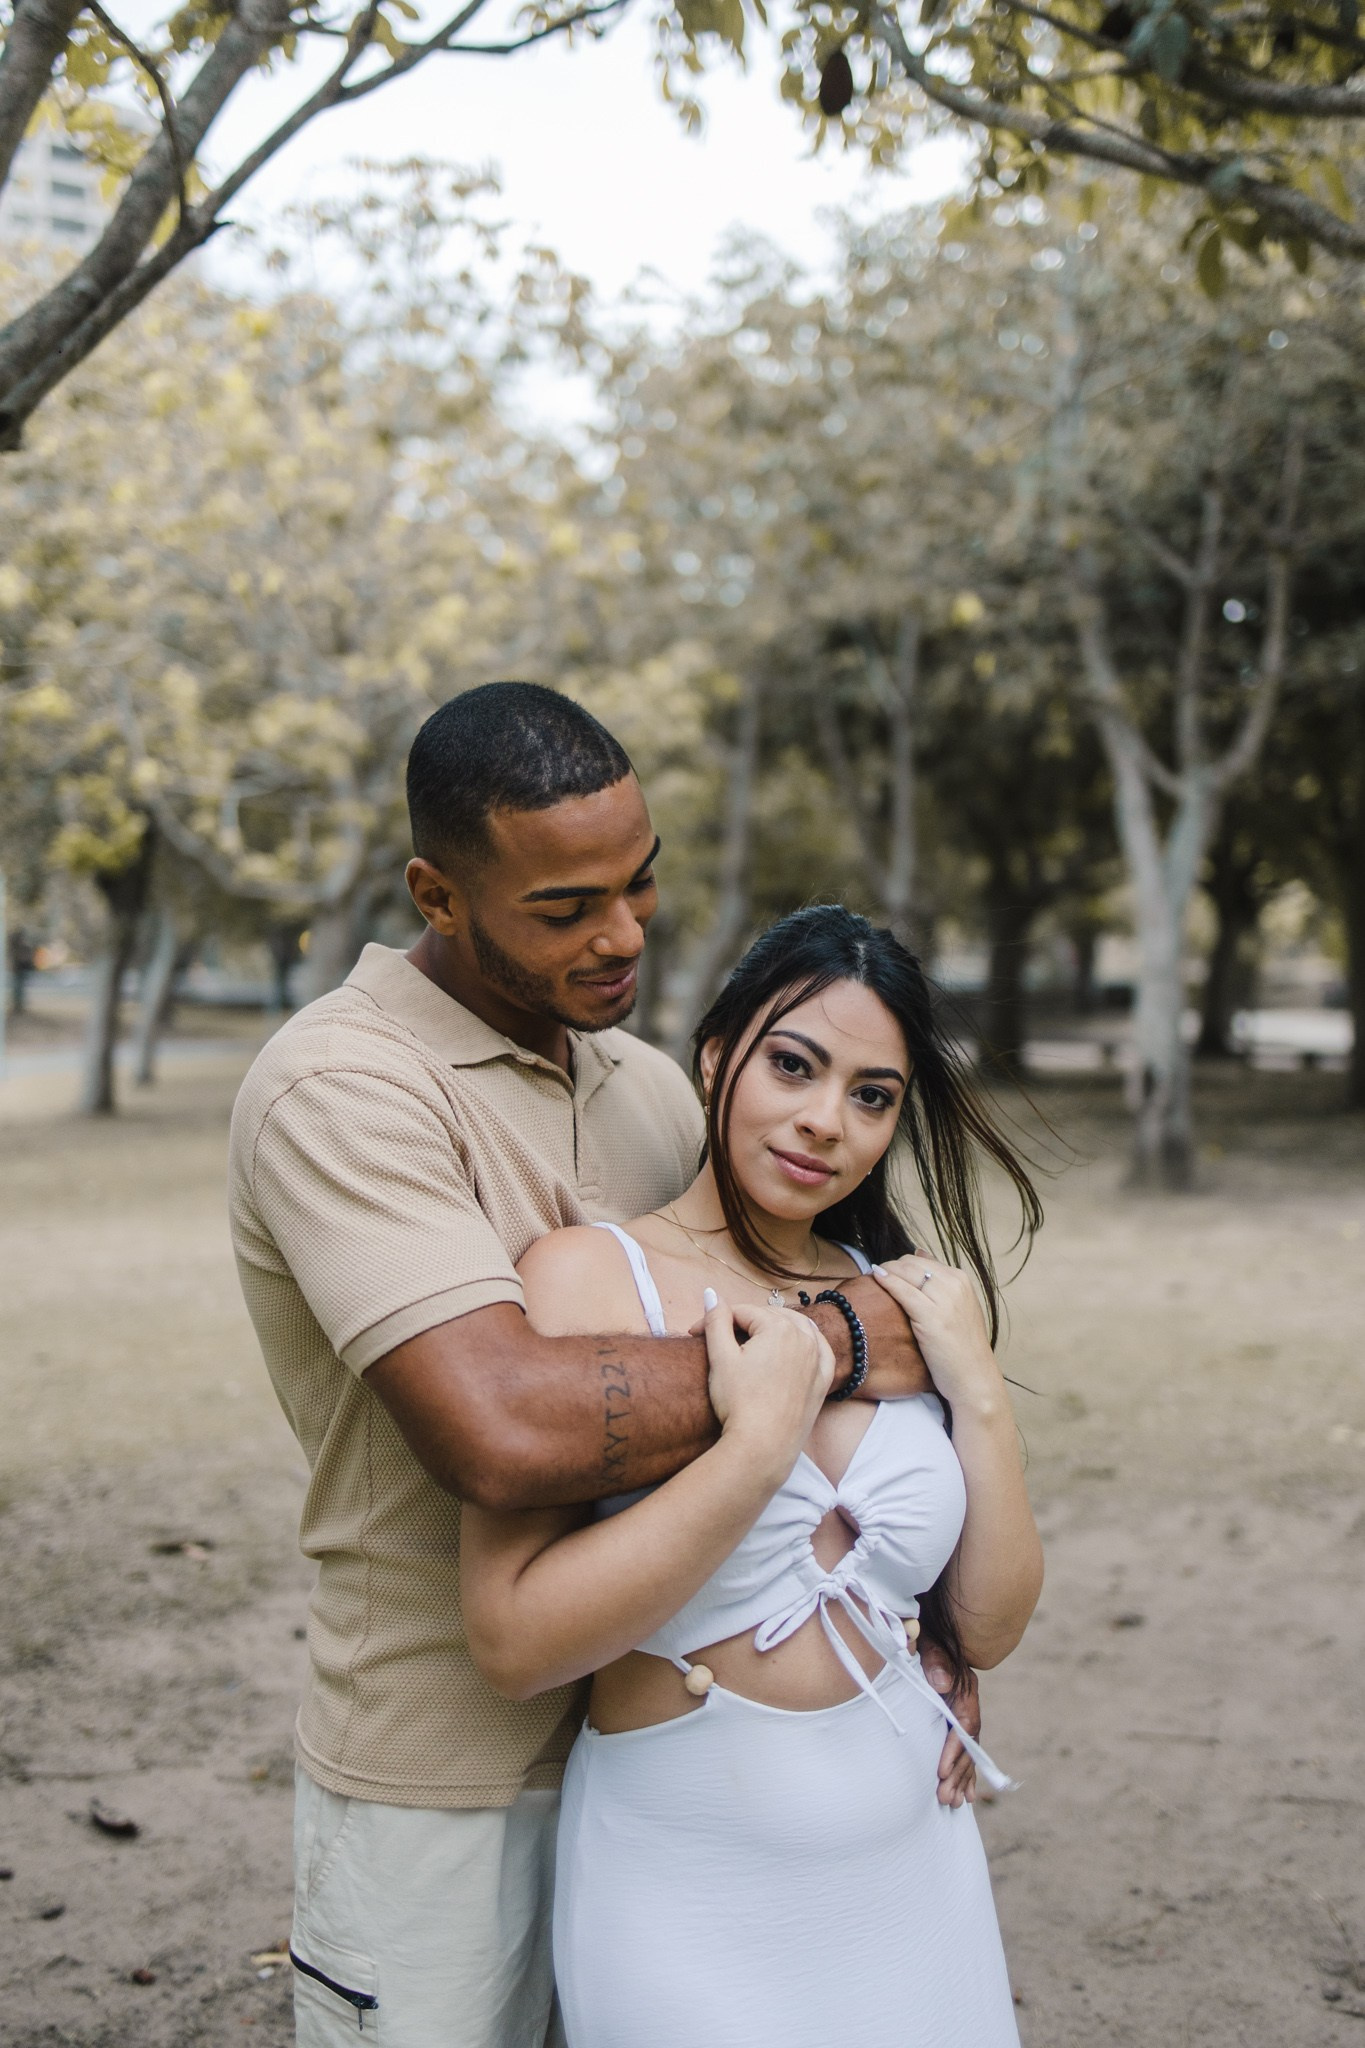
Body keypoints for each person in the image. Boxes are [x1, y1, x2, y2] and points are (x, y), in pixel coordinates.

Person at [228, 684, 970, 2048]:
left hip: (661, 1760)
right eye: (566, 907)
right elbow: (502, 1427)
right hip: (443, 1773)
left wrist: (912, 1627)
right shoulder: (341, 1085)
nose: (623, 932)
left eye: (639, 883)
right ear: (438, 896)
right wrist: (845, 1341)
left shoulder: (645, 1087)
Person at [459, 903, 1045, 2048]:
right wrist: (757, 1447)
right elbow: (515, 1643)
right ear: (716, 1053)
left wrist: (980, 1390)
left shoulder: (902, 1296)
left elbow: (989, 1623)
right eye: (793, 1064)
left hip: (914, 1867)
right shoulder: (590, 1276)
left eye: (872, 1094)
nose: (826, 1119)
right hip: (682, 1885)